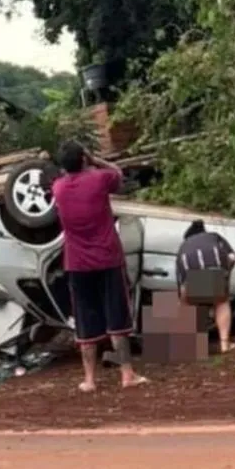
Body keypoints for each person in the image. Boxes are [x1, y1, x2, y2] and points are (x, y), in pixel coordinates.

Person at [50, 141, 147, 393]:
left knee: (85, 321)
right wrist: (96, 160)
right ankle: (127, 374)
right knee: (117, 319)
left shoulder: (58, 188)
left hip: (77, 264)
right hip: (107, 259)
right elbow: (118, 173)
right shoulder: (99, 179)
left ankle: (89, 380)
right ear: (84, 159)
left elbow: (65, 177)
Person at [176, 220, 235, 353]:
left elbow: (180, 281)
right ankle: (224, 345)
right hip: (214, 271)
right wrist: (226, 275)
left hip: (191, 277)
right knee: (221, 303)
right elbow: (233, 257)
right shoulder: (214, 237)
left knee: (187, 306)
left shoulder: (183, 246)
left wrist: (184, 300)